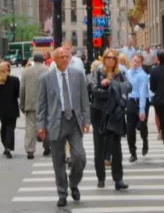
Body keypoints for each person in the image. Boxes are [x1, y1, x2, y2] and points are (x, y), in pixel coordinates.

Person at [37, 47, 92, 208]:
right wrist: (41, 125)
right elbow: (41, 104)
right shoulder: (46, 78)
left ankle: (73, 183)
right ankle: (62, 192)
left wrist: (86, 121)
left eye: (67, 56)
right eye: (61, 57)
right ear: (54, 59)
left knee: (80, 157)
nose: (64, 59)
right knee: (58, 161)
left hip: (74, 121)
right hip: (56, 122)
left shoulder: (78, 75)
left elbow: (84, 100)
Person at [88, 49, 131, 190]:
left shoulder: (120, 74)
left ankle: (118, 179)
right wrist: (104, 85)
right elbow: (94, 90)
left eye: (113, 58)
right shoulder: (97, 72)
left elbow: (128, 87)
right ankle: (101, 177)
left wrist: (114, 85)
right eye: (108, 57)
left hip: (115, 114)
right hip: (99, 113)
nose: (111, 60)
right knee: (99, 147)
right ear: (104, 59)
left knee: (116, 148)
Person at [20, 52, 51, 159]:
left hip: (30, 104)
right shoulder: (48, 70)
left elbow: (22, 89)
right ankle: (47, 147)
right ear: (43, 59)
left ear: (34, 60)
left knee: (30, 127)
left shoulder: (26, 71)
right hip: (46, 104)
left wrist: (22, 104)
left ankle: (30, 150)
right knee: (46, 126)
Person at [0, 61, 21, 158]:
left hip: (0, 108)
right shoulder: (15, 80)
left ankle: (5, 145)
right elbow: (18, 94)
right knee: (10, 127)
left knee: (3, 126)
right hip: (12, 107)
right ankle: (8, 146)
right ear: (9, 69)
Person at [125, 53, 150, 161]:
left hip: (141, 101)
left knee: (141, 126)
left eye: (138, 61)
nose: (135, 63)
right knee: (130, 129)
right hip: (130, 101)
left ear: (141, 63)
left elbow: (143, 92)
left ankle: (145, 141)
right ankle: (133, 152)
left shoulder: (143, 75)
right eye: (134, 60)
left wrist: (142, 109)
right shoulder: (128, 73)